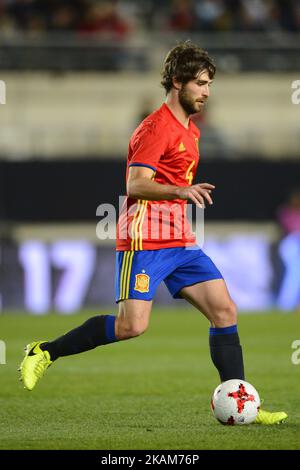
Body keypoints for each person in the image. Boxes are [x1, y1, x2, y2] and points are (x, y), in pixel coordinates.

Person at [19, 41, 287, 425]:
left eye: (209, 84)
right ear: (178, 82)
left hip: (180, 241)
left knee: (225, 310)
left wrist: (180, 199)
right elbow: (135, 184)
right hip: (144, 240)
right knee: (132, 326)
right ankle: (44, 351)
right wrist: (180, 190)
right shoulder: (155, 128)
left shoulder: (191, 131)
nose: (207, 92)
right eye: (201, 83)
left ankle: (243, 404)